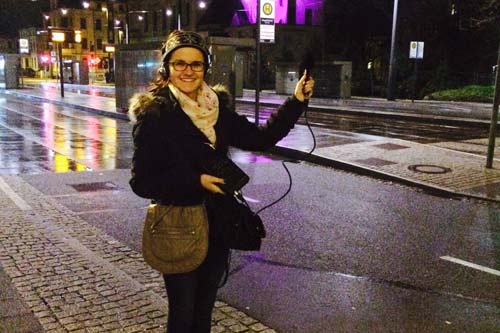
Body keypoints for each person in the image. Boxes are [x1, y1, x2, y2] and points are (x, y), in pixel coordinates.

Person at [128, 30, 314, 333]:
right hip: (178, 224)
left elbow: (260, 138)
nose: (188, 71)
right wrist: (196, 180)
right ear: (166, 68)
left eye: (196, 64)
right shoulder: (156, 113)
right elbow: (142, 182)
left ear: (205, 68)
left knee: (204, 312)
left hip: (218, 223)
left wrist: (295, 101)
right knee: (182, 315)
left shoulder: (216, 108)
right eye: (180, 64)